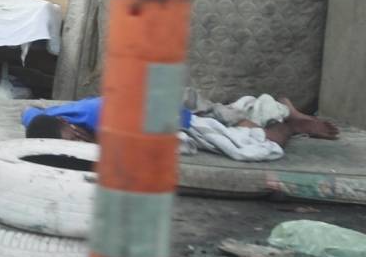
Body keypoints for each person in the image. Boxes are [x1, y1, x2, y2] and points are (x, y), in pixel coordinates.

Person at [24, 93, 339, 148]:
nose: (79, 144)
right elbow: (28, 114)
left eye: (76, 139)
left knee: (256, 141)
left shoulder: (103, 119)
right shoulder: (51, 120)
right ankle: (270, 110)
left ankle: (287, 119)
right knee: (233, 114)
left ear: (75, 127)